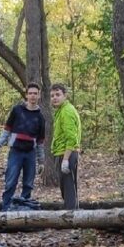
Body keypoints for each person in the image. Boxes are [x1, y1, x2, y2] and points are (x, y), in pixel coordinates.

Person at [0, 83, 46, 211]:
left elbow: (40, 142)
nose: (32, 96)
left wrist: (41, 162)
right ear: (26, 95)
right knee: (10, 182)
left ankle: (23, 211)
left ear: (38, 95)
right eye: (30, 93)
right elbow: (6, 130)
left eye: (35, 93)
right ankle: (5, 211)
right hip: (15, 152)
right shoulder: (17, 110)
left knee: (28, 184)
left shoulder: (40, 117)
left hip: (30, 154)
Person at [50, 82, 81, 210]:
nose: (55, 98)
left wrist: (66, 159)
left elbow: (71, 138)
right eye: (52, 96)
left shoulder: (67, 111)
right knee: (66, 186)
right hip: (62, 152)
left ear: (65, 96)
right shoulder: (61, 111)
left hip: (67, 153)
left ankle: (71, 215)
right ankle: (72, 212)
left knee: (68, 187)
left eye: (58, 95)